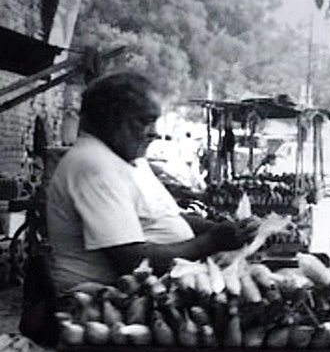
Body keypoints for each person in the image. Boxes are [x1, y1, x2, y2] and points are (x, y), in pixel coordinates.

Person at [46, 70, 258, 296]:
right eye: (144, 121)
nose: (155, 133)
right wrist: (211, 242)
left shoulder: (127, 159)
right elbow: (133, 262)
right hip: (100, 301)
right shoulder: (94, 165)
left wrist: (221, 229)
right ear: (111, 117)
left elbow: (160, 217)